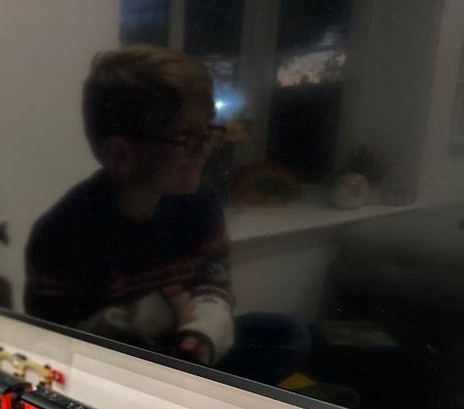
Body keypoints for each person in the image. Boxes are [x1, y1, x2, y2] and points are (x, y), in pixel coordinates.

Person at [24, 44, 309, 382]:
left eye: (208, 133)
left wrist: (201, 334)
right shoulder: (62, 234)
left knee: (290, 334)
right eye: (187, 138)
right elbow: (57, 348)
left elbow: (213, 284)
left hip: (185, 342)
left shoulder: (202, 204)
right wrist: (156, 311)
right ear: (120, 154)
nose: (204, 150)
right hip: (120, 368)